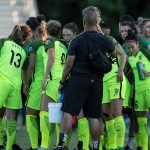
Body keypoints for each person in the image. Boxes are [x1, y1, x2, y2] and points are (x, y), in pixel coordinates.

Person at [55, 6, 116, 150]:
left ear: (84, 22)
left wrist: (62, 81)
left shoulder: (77, 40)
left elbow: (69, 64)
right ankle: (96, 146)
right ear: (97, 22)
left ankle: (61, 145)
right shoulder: (104, 39)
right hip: (96, 82)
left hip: (77, 80)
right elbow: (114, 55)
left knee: (68, 112)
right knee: (93, 116)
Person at [0, 25, 30, 150]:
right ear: (24, 38)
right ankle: (8, 147)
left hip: (2, 81)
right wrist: (26, 85)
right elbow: (25, 71)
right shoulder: (23, 53)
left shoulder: (4, 42)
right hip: (15, 86)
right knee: (12, 119)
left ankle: (0, 143)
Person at [38, 20, 67, 150]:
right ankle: (58, 145)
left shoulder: (49, 41)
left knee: (43, 112)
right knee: (57, 115)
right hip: (61, 81)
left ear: (47, 30)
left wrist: (44, 79)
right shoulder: (62, 44)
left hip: (52, 80)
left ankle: (44, 145)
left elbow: (51, 59)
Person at [23, 21, 48, 150]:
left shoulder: (34, 44)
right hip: (50, 82)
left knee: (30, 115)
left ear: (36, 35)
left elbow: (31, 66)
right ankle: (46, 144)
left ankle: (34, 146)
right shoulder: (50, 44)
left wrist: (26, 83)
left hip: (38, 83)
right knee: (46, 115)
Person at [125, 30, 150, 150]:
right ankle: (144, 147)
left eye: (132, 47)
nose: (130, 49)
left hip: (149, 89)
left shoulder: (145, 53)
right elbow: (126, 73)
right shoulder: (130, 59)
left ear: (138, 45)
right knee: (141, 122)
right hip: (138, 92)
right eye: (128, 48)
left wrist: (149, 73)